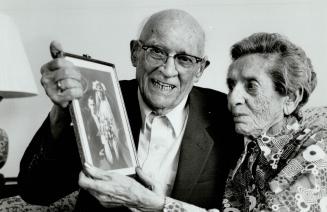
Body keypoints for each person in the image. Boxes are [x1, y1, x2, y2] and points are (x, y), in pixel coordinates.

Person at [18, 9, 242, 211]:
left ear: (200, 69)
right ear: (135, 52)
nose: (167, 70)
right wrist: (60, 112)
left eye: (184, 59)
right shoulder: (98, 99)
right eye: (156, 51)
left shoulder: (228, 115)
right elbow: (35, 191)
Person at [127, 32, 325, 211]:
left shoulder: (317, 151)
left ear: (290, 98)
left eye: (251, 86)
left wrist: (157, 204)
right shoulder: (250, 148)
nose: (232, 98)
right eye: (232, 85)